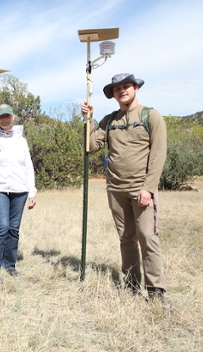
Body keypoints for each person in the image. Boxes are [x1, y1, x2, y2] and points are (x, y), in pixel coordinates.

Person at [81, 73, 168, 301]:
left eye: (126, 86)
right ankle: (131, 285)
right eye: (117, 88)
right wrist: (88, 120)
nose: (122, 91)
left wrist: (148, 188)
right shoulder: (109, 121)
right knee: (126, 238)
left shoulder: (151, 115)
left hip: (142, 188)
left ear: (136, 88)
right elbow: (90, 147)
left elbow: (158, 154)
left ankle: (155, 290)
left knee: (147, 237)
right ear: (113, 94)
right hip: (116, 189)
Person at [0, 104, 37, 284]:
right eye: (1, 116)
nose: (4, 119)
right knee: (2, 226)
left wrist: (31, 192)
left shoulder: (21, 140)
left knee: (13, 229)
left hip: (20, 189)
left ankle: (9, 265)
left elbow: (28, 166)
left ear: (13, 117)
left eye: (7, 116)